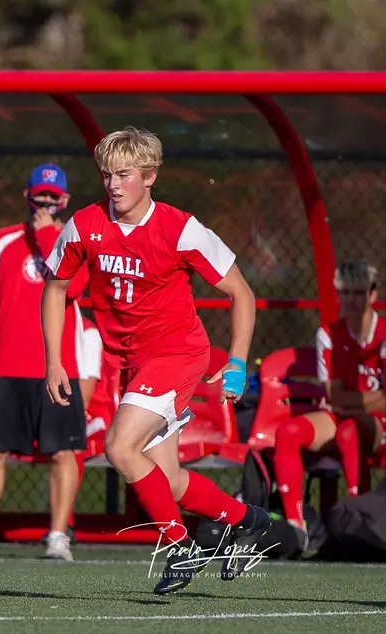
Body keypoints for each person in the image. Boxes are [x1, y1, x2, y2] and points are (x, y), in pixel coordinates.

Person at [43, 126, 270, 595]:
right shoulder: (85, 224)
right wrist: (54, 360)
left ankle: (180, 545)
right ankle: (247, 520)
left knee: (119, 447)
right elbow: (56, 286)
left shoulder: (179, 228)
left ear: (149, 176)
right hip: (131, 362)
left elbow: (240, 293)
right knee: (166, 478)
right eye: (107, 175)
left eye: (124, 174)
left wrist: (239, 362)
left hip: (177, 353)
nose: (113, 184)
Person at [0, 163, 88, 561]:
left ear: (64, 200)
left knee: (63, 453)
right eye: (39, 194)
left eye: (53, 196)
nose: (45, 202)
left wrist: (48, 234)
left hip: (57, 368)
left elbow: (75, 287)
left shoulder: (72, 241)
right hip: (5, 366)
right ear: (28, 195)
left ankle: (58, 535)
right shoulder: (3, 241)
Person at [271, 261, 386, 550]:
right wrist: (356, 401)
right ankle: (296, 528)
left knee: (349, 431)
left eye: (358, 293)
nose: (351, 299)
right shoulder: (328, 333)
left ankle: (361, 523)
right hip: (342, 415)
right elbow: (334, 396)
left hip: (376, 421)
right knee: (289, 432)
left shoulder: (383, 333)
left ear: (373, 295)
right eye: (345, 292)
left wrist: (352, 403)